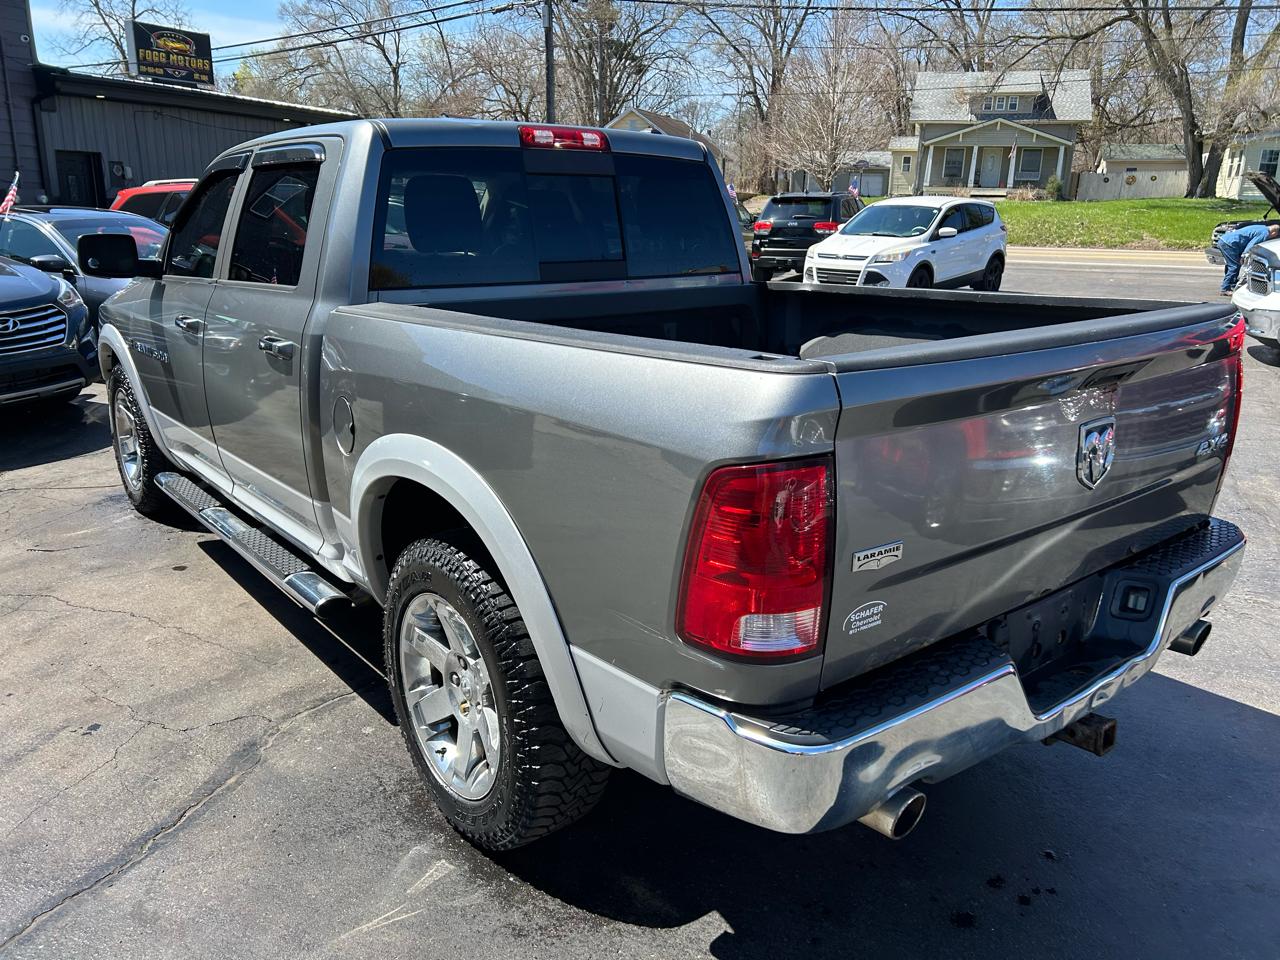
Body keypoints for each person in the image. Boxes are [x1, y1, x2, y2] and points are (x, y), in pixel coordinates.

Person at [1219, 222, 1280, 295]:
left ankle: (1231, 284)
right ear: (1274, 232)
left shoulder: (1261, 227)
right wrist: (1244, 255)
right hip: (1230, 244)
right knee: (1234, 266)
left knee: (1231, 265)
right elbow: (1251, 245)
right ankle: (1225, 289)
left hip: (1224, 240)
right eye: (1274, 236)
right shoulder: (1264, 233)